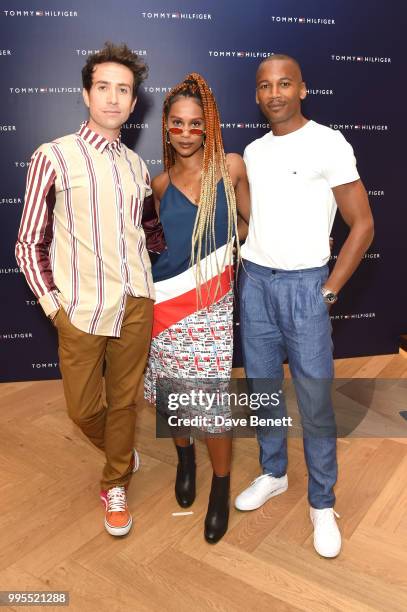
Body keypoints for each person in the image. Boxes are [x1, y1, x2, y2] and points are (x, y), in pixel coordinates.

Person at [15, 42, 164, 537]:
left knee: (124, 403)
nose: (114, 98)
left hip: (136, 303)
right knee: (83, 410)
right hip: (79, 309)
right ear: (86, 94)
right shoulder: (53, 157)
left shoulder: (137, 168)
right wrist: (54, 307)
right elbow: (28, 242)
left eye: (124, 90)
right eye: (104, 87)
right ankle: (121, 450)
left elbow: (147, 232)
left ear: (134, 100)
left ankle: (115, 480)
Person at [234, 54, 374, 558]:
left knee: (314, 401)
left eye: (285, 83)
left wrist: (329, 291)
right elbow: (256, 221)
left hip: (306, 288)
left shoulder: (328, 142)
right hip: (254, 283)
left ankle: (321, 502)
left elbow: (362, 224)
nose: (275, 93)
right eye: (265, 85)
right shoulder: (251, 151)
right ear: (256, 95)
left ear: (302, 89)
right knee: (263, 389)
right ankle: (273, 472)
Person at [144, 73, 250, 543]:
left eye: (194, 124)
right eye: (176, 125)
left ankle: (220, 488)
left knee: (211, 403)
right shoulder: (159, 183)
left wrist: (221, 253)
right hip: (166, 305)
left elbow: (247, 225)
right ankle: (185, 460)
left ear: (207, 126)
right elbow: (153, 249)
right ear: (166, 128)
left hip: (211, 304)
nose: (186, 133)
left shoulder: (230, 167)